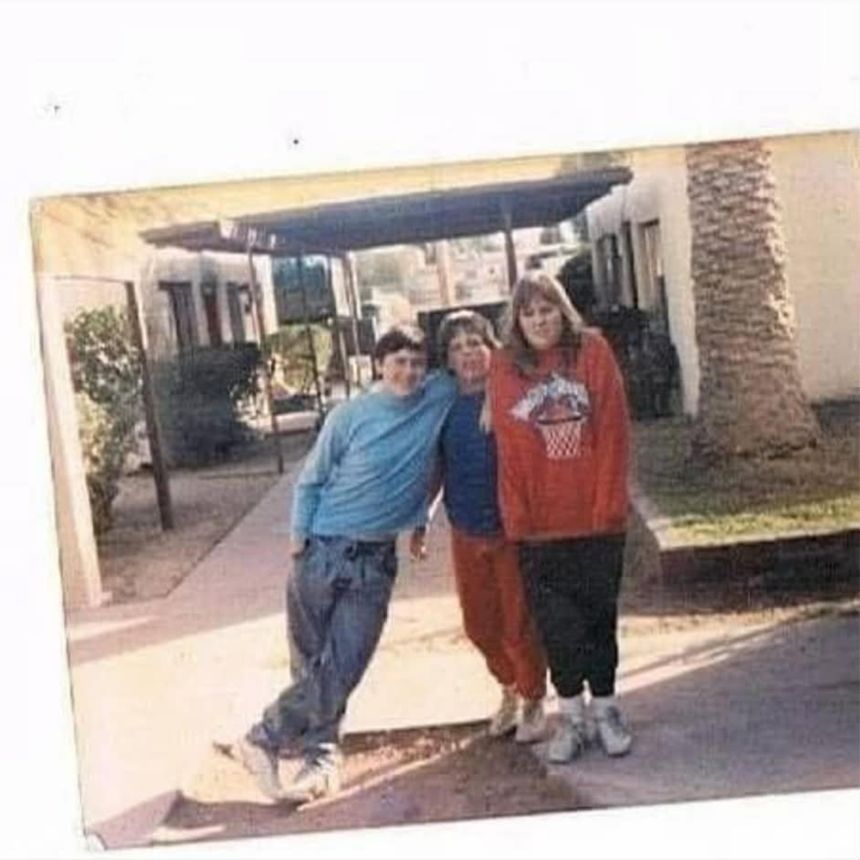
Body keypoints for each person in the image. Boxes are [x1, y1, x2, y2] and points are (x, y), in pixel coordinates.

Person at [233, 323, 456, 804]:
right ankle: (320, 761)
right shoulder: (349, 415)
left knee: (344, 665)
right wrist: (298, 541)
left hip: (375, 561)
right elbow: (312, 480)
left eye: (417, 362)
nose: (409, 371)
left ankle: (263, 738)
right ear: (379, 364)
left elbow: (477, 361)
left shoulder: (437, 396)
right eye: (398, 361)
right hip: (322, 550)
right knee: (314, 665)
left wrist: (423, 519)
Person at [486, 271, 633, 764]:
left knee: (597, 620)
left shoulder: (592, 351)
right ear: (517, 320)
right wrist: (517, 517)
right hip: (541, 529)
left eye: (546, 309)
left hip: (594, 521)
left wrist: (607, 505)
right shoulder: (507, 367)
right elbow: (510, 449)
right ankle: (570, 716)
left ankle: (607, 709)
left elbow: (613, 430)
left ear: (562, 310)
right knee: (557, 627)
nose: (539, 320)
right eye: (528, 313)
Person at [416, 310, 548, 743]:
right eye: (457, 347)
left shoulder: (511, 394)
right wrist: (423, 517)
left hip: (511, 530)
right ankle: (509, 688)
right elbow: (438, 466)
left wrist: (496, 396)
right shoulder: (443, 405)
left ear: (491, 348)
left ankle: (532, 699)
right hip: (466, 529)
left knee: (519, 623)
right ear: (447, 360)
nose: (468, 352)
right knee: (480, 625)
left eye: (475, 343)